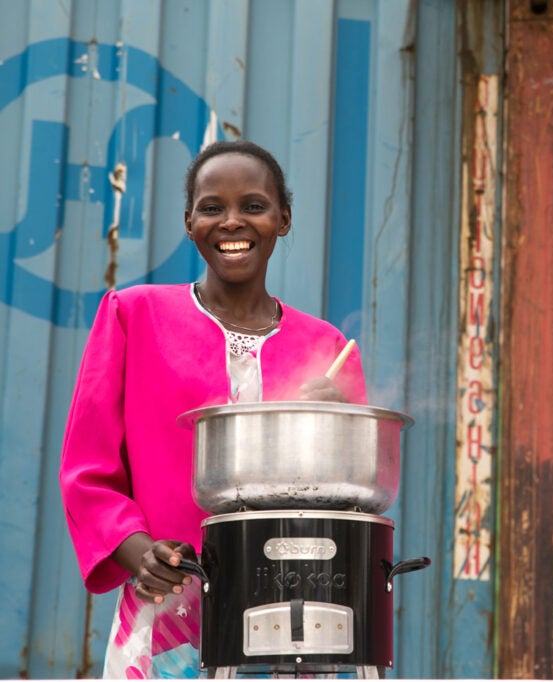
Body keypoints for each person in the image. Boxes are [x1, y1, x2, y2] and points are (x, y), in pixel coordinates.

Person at [59, 140, 367, 678]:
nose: (232, 222)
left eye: (253, 206)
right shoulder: (134, 316)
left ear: (283, 219)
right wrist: (140, 554)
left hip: (294, 616)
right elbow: (88, 472)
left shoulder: (328, 350)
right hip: (169, 610)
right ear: (189, 221)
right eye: (211, 207)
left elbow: (354, 498)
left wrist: (338, 430)